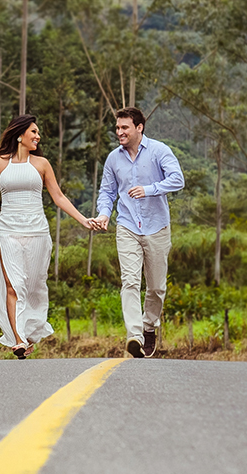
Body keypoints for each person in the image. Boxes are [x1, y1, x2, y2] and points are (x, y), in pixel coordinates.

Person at [0, 115, 93, 359]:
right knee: (13, 285)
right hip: (8, 231)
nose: (38, 136)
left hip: (37, 233)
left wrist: (83, 219)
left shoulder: (42, 164)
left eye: (38, 132)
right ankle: (18, 340)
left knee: (34, 287)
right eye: (34, 131)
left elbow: (59, 197)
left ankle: (29, 332)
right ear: (20, 135)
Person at [89, 106, 184, 358]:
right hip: (127, 226)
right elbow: (107, 192)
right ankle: (134, 335)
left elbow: (177, 179)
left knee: (156, 288)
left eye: (124, 127)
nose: (119, 132)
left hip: (157, 227)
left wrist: (149, 188)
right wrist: (104, 215)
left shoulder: (159, 151)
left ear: (139, 128)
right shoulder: (113, 158)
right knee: (130, 281)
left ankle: (149, 326)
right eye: (117, 127)